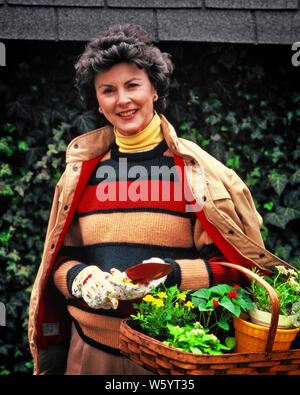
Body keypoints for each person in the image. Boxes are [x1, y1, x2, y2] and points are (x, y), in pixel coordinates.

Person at [28, 24, 292, 375]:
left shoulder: (198, 174)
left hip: (171, 359)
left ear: (154, 90)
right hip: (87, 356)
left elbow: (232, 271)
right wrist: (81, 279)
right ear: (98, 102)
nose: (122, 100)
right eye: (108, 90)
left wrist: (167, 275)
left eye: (132, 85)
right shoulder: (81, 175)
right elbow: (58, 260)